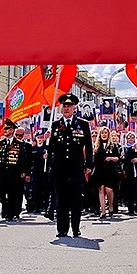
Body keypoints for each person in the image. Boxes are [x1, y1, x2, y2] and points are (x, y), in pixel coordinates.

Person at [48, 96, 94, 238]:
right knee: (61, 198)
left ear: (74, 108)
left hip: (76, 167)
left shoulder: (82, 124)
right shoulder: (56, 125)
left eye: (69, 106)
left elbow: (89, 146)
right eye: (64, 106)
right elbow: (52, 148)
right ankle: (62, 229)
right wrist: (50, 164)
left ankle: (75, 227)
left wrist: (88, 165)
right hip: (60, 167)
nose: (66, 108)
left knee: (75, 198)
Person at [0, 119, 30, 221]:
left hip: (14, 172)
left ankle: (9, 213)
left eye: (8, 129)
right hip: (2, 172)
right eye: (5, 128)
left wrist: (24, 171)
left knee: (12, 194)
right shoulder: (0, 143)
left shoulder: (19, 143)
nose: (5, 130)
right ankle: (5, 205)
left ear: (13, 130)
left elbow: (23, 158)